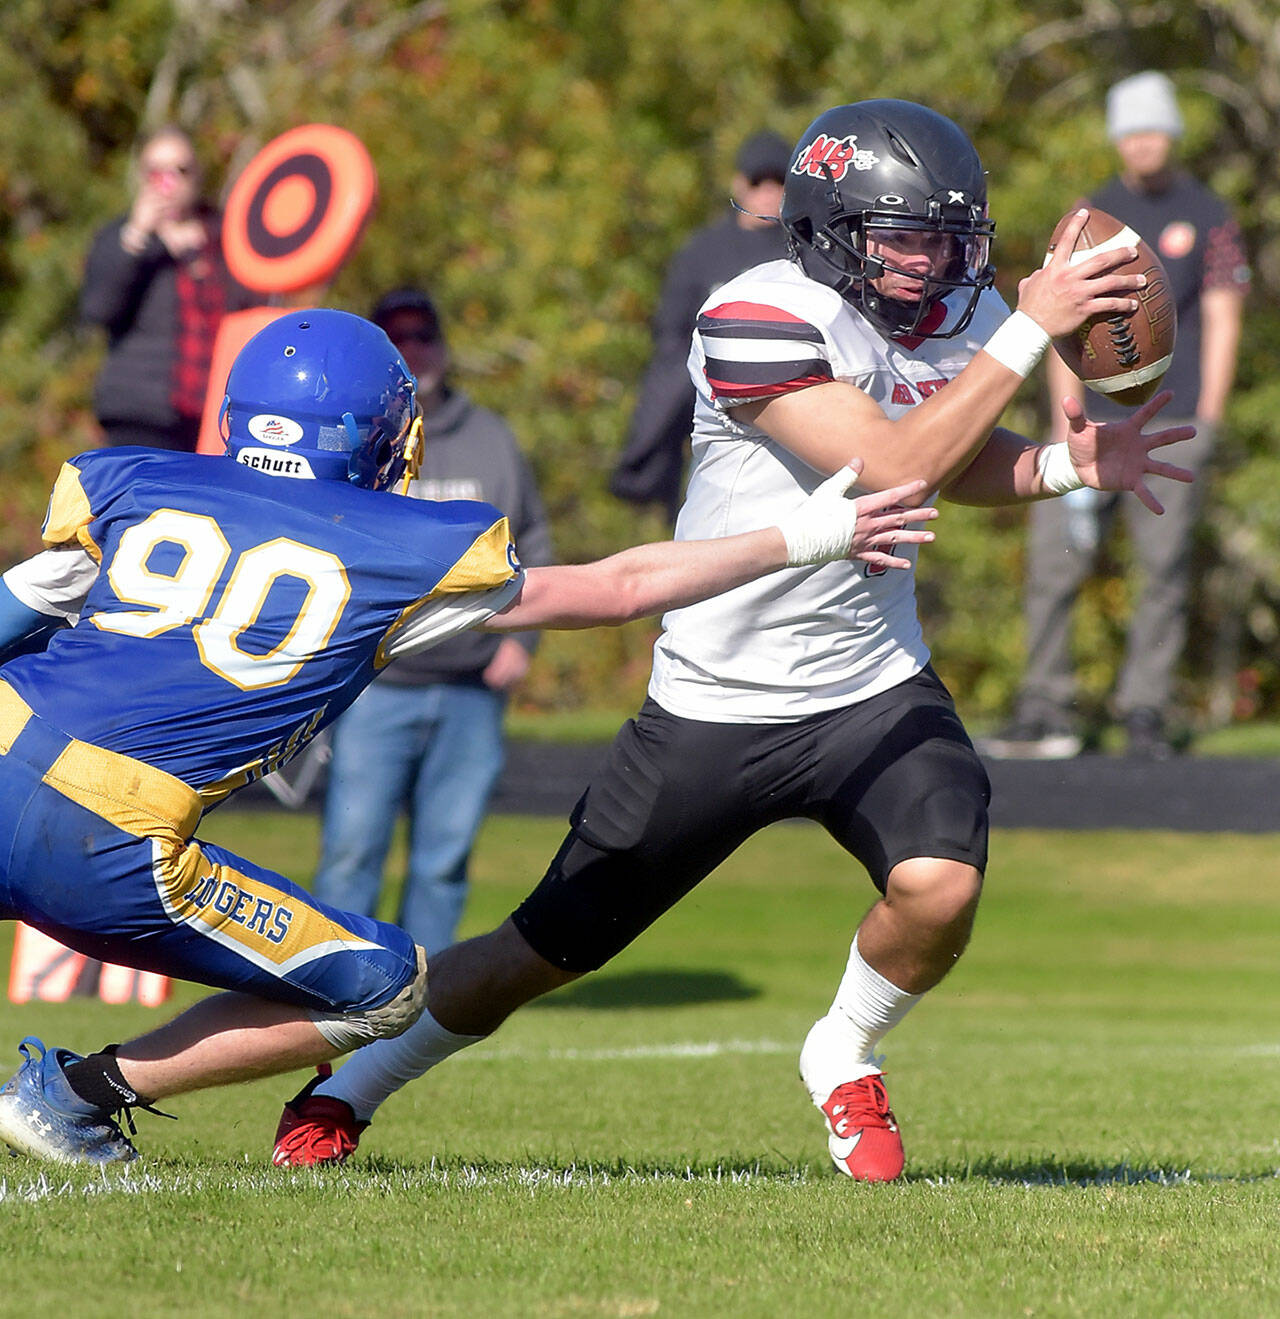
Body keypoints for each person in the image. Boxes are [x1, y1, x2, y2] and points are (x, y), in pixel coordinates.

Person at [269, 101, 1193, 1182]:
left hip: (867, 686)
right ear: (827, 232)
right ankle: (356, 1083)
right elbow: (892, 464)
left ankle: (842, 1050)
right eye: (904, 237)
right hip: (716, 697)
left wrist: (1066, 465)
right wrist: (1028, 331)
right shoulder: (752, 313)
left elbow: (952, 451)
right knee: (540, 950)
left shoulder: (960, 312)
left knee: (940, 883)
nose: (932, 261)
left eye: (947, 236)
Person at [0, 308, 936, 1166]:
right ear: (381, 432)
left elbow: (16, 611)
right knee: (387, 989)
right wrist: (802, 537)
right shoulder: (397, 547)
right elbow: (617, 588)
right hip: (110, 828)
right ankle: (77, 1091)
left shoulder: (137, 483)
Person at [986, 72, 1250, 760]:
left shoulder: (1210, 212)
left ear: (1172, 134)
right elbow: (1058, 321)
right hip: (1086, 426)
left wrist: (1211, 414)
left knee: (1160, 569)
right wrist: (1056, 418)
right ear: (1116, 139)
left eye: (1153, 129)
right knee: (1055, 563)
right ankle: (1047, 705)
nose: (1142, 142)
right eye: (1130, 131)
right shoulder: (1091, 214)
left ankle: (1145, 711)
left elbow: (1223, 313)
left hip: (1173, 420)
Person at [312, 287, 554, 955]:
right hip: (376, 684)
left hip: (472, 685)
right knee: (351, 853)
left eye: (424, 335)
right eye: (399, 338)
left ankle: (420, 997)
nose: (414, 349)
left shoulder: (491, 437)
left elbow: (531, 540)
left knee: (442, 861)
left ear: (443, 345)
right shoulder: (355, 438)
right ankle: (329, 993)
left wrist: (524, 641)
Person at [609, 130, 792, 521]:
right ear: (740, 184)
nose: (768, 192)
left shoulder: (804, 250)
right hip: (713, 422)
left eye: (780, 181)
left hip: (790, 416)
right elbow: (670, 341)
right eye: (760, 181)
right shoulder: (702, 252)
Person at [79, 125, 256, 452]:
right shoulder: (120, 238)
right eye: (156, 172)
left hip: (213, 419)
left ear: (197, 174)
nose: (169, 182)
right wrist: (136, 236)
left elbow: (255, 307)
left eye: (181, 170)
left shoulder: (227, 237)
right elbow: (98, 310)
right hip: (140, 415)